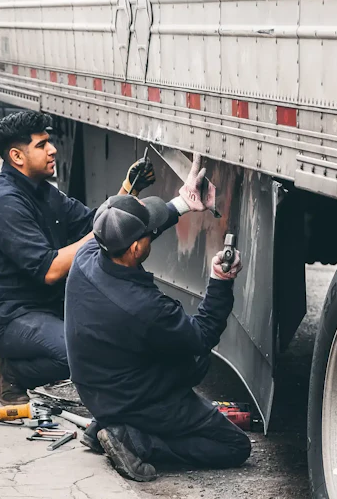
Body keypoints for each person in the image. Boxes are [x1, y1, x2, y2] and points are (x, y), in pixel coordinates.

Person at [0, 110, 156, 405]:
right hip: (7, 316)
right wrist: (108, 230)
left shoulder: (44, 193)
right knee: (79, 354)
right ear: (17, 156)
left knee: (117, 337)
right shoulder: (4, 202)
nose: (53, 149)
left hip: (47, 309)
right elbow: (51, 269)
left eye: (49, 142)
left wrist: (129, 189)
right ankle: (13, 371)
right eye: (42, 145)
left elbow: (94, 222)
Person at [64, 185, 250, 482]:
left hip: (96, 387)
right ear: (136, 248)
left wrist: (183, 204)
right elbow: (202, 334)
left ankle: (103, 424)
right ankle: (134, 440)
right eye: (148, 233)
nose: (152, 233)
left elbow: (137, 232)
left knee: (194, 361)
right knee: (234, 446)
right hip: (133, 398)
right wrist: (221, 280)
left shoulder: (87, 255)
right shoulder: (144, 307)